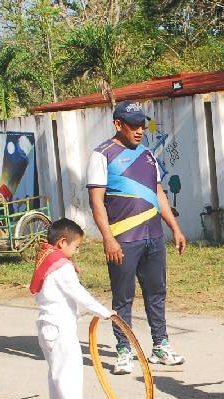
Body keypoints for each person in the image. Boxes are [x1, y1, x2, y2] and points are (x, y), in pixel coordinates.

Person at [87, 100, 187, 375]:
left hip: (153, 237)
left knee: (157, 293)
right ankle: (123, 350)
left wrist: (174, 228)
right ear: (118, 125)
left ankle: (160, 346)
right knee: (123, 298)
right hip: (123, 239)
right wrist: (108, 238)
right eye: (133, 125)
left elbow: (159, 193)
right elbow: (96, 203)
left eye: (142, 125)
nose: (140, 130)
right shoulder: (102, 155)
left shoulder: (147, 155)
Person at [31, 219, 114, 399]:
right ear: (62, 242)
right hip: (58, 328)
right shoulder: (61, 266)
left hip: (49, 325)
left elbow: (56, 297)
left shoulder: (47, 260)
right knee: (69, 373)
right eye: (75, 247)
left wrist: (80, 313)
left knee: (57, 373)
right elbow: (78, 293)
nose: (76, 252)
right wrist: (103, 311)